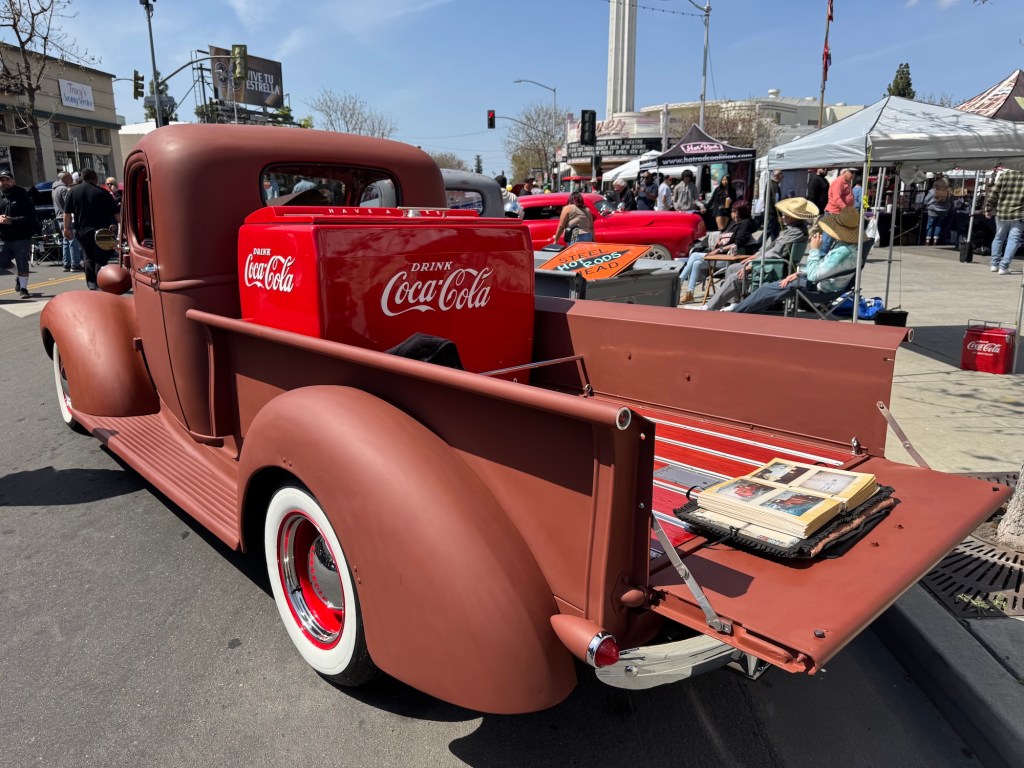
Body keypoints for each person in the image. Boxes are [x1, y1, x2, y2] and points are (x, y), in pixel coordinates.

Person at [729, 205, 861, 314]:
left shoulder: (842, 252)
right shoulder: (848, 247)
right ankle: (744, 311)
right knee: (770, 289)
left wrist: (814, 250)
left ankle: (737, 313)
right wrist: (799, 273)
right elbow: (824, 269)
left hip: (820, 289)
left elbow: (814, 275)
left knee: (766, 289)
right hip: (826, 285)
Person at [700, 197, 817, 311]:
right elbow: (770, 248)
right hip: (772, 263)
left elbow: (775, 253)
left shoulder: (796, 232)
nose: (782, 216)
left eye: (785, 214)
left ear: (792, 217)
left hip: (775, 268)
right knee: (732, 268)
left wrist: (752, 264)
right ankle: (735, 302)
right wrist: (755, 256)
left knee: (734, 277)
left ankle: (710, 307)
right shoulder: (793, 229)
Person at [678, 200, 756, 304]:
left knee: (694, 255)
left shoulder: (745, 224)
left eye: (732, 210)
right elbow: (726, 236)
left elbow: (737, 244)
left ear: (737, 212)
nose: (730, 212)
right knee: (696, 263)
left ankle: (678, 282)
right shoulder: (733, 223)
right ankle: (690, 293)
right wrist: (720, 237)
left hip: (728, 259)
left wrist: (719, 250)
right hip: (718, 257)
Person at [64, 168, 117, 291]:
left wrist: (66, 228)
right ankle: (100, 281)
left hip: (82, 230)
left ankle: (91, 282)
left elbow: (67, 213)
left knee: (88, 255)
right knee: (101, 256)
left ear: (82, 178)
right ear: (96, 178)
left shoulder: (73, 192)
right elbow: (116, 214)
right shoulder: (103, 193)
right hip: (102, 231)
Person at [0, 170, 37, 299]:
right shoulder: (1, 197)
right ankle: (18, 275)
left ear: (13, 182)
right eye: (2, 180)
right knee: (2, 261)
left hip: (21, 237)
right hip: (4, 237)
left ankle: (23, 289)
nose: (5, 183)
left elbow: (31, 218)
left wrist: (12, 220)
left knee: (22, 262)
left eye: (7, 180)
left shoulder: (23, 196)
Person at [983, 168, 1024, 275]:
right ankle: (1004, 267)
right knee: (1013, 240)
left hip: (1002, 212)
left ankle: (994, 264)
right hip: (1019, 214)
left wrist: (988, 208)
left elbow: (994, 193)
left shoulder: (1005, 174)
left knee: (999, 238)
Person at [52, 172, 82, 272]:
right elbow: (69, 205)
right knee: (73, 241)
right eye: (70, 177)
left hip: (59, 217)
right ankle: (75, 264)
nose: (71, 179)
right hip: (67, 217)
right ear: (64, 178)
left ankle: (66, 264)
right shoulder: (64, 189)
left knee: (66, 240)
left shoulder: (55, 189)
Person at [923, 179, 953, 246]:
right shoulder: (948, 192)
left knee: (930, 225)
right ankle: (935, 240)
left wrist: (927, 205)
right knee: (938, 225)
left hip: (932, 210)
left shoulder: (932, 191)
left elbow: (926, 200)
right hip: (944, 211)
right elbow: (951, 202)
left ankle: (928, 240)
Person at [765, 170, 783, 243]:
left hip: (769, 210)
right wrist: (779, 215)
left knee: (774, 231)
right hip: (773, 212)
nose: (782, 178)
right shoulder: (775, 186)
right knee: (769, 230)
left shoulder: (769, 184)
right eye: (782, 176)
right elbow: (776, 201)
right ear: (779, 176)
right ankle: (757, 244)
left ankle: (774, 244)